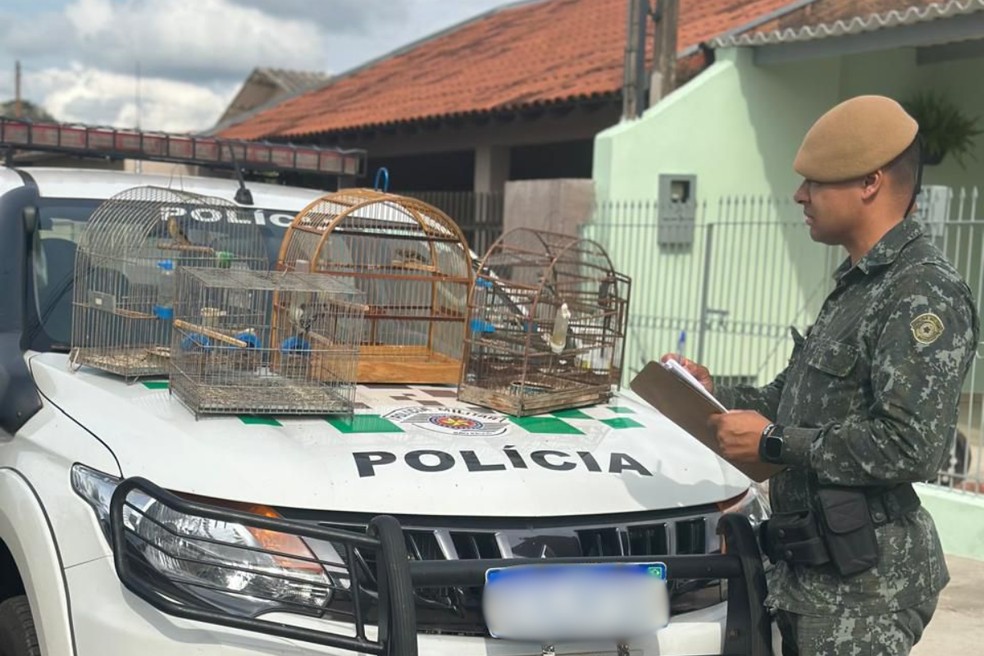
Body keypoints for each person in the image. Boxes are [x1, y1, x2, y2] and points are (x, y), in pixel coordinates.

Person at [663, 95, 980, 655]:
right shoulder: (857, 287)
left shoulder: (920, 291)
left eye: (817, 180)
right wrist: (706, 392)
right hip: (813, 579)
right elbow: (783, 403)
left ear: (870, 183)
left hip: (865, 591)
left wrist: (774, 442)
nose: (800, 195)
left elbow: (910, 445)